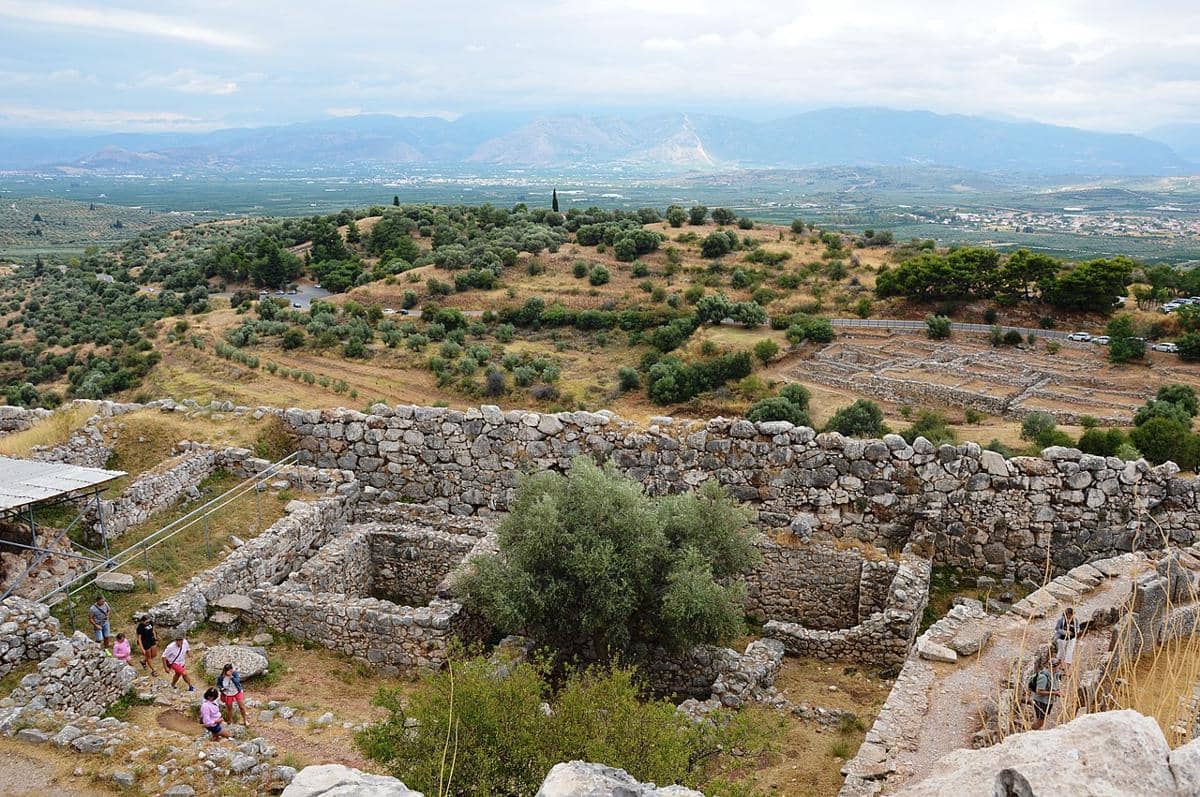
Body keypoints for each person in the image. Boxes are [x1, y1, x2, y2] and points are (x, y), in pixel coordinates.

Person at [1031, 657, 1063, 730]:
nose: (1060, 669)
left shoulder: (1054, 674)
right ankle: (1031, 732)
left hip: (1048, 700)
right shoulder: (1043, 677)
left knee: (1042, 719)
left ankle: (1034, 731)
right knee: (1040, 721)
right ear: (1053, 667)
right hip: (1041, 701)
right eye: (1059, 667)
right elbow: (1039, 691)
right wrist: (1054, 693)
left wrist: (1056, 692)